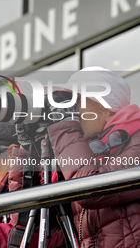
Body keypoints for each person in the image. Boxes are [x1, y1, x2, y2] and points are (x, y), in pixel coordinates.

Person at [29, 66, 140, 247]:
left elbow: (90, 191)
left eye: (75, 101)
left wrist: (64, 127)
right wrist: (29, 149)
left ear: (109, 110)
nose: (67, 109)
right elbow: (35, 224)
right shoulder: (85, 154)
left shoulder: (136, 141)